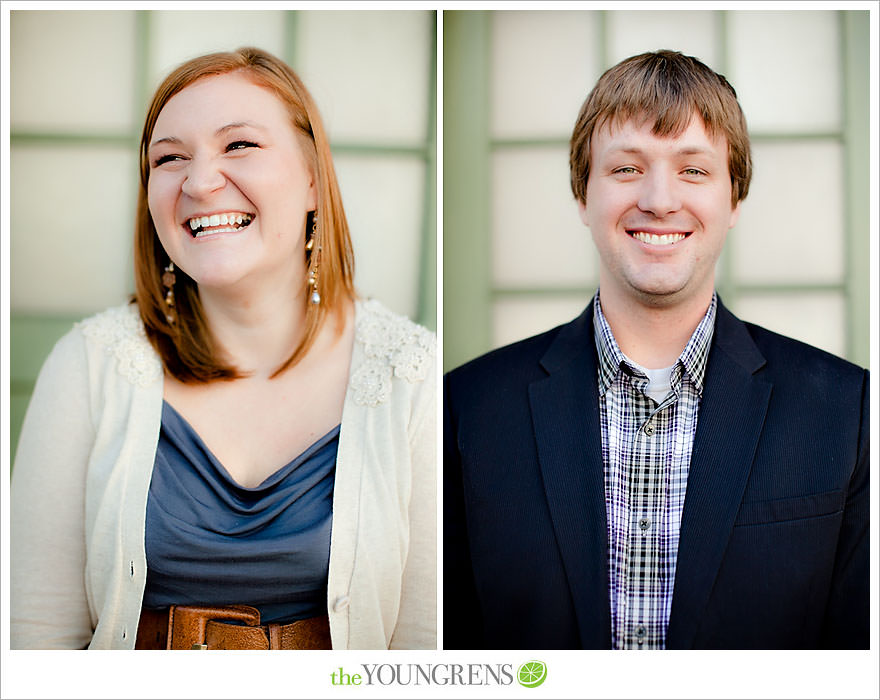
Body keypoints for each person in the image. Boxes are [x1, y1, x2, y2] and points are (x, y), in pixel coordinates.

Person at [11, 47, 436, 650]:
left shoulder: (411, 378)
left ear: (313, 178)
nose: (200, 180)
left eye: (239, 146)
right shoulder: (88, 366)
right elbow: (36, 635)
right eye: (170, 157)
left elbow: (425, 649)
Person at [444, 50, 868, 650]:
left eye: (694, 170)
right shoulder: (468, 405)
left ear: (734, 199)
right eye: (625, 169)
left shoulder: (846, 409)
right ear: (582, 196)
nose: (660, 200)